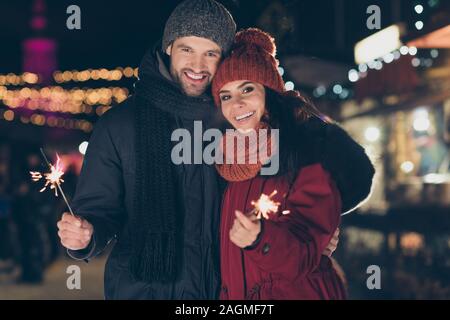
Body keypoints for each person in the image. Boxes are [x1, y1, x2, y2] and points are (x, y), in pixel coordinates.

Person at [57, 0, 337, 299]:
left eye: (211, 53)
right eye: (187, 50)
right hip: (145, 291)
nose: (198, 66)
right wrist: (86, 235)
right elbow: (98, 208)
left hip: (228, 290)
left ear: (224, 58)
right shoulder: (120, 125)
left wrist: (322, 221)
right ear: (169, 47)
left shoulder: (240, 117)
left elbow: (308, 171)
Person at [211, 28, 375, 299]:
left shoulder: (305, 150)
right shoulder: (228, 160)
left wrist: (260, 240)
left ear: (270, 92)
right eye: (226, 96)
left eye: (247, 89)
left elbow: (303, 252)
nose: (236, 104)